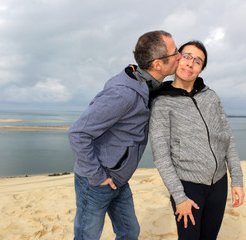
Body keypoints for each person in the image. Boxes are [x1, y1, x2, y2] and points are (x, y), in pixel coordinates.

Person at [68, 30, 181, 240]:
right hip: (96, 181)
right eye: (175, 52)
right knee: (87, 236)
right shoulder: (124, 94)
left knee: (130, 233)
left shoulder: (146, 85)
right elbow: (78, 133)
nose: (180, 56)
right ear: (157, 63)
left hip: (119, 179)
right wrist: (98, 176)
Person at [149, 40, 245, 240]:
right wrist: (179, 196)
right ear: (177, 59)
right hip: (187, 187)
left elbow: (228, 139)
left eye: (198, 61)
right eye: (186, 56)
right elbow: (161, 156)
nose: (190, 63)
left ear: (201, 69)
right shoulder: (162, 103)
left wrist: (237, 180)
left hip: (219, 184)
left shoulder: (211, 97)